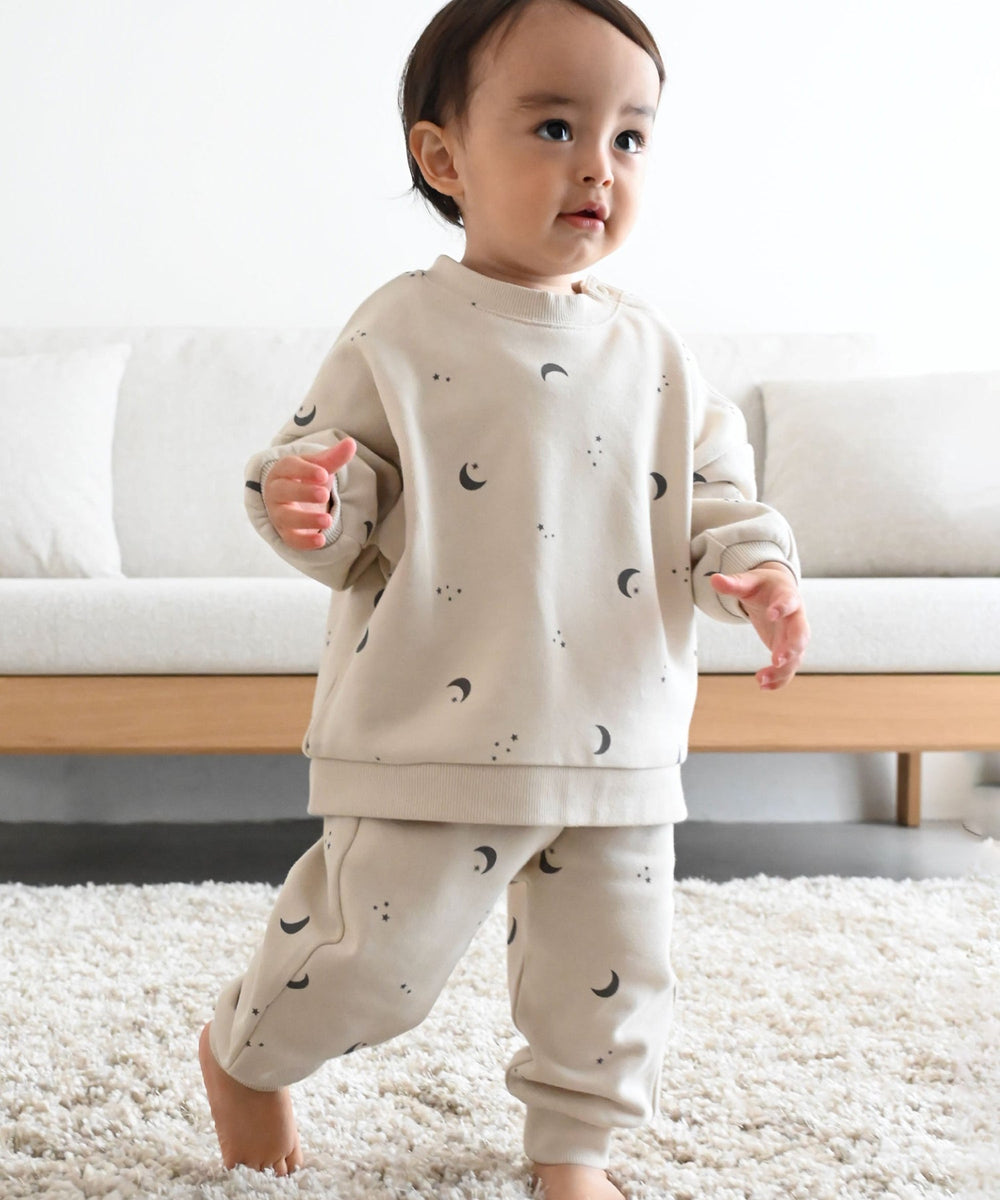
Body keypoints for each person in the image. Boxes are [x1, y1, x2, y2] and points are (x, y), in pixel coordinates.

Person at [198, 1, 810, 1196]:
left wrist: (761, 573)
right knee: (372, 961)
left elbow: (714, 500)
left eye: (629, 136)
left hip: (619, 723)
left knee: (612, 973)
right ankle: (246, 1054)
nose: (598, 165)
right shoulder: (398, 330)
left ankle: (574, 1147)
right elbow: (332, 486)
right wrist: (309, 499)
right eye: (553, 126)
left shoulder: (658, 355)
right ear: (444, 158)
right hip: (437, 725)